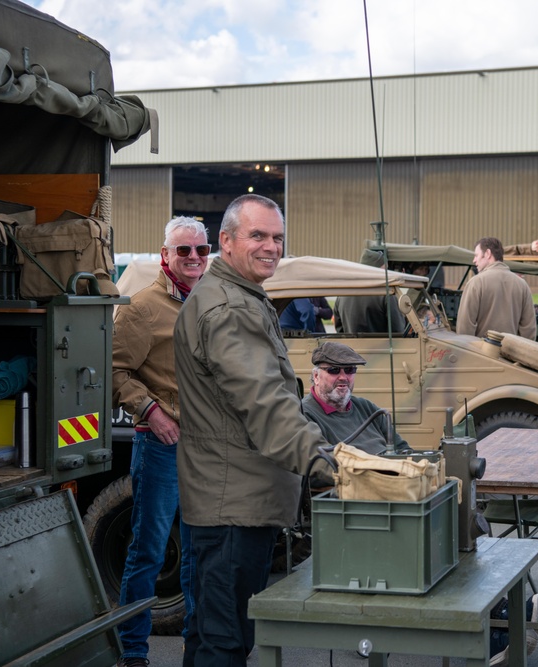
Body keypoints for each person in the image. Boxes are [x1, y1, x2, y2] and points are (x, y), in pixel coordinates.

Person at [173, 194, 332, 667]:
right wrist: (334, 466)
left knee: (212, 634)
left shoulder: (239, 295)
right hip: (233, 507)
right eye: (257, 235)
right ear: (225, 241)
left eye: (277, 237)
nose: (270, 247)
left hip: (234, 501)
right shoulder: (229, 309)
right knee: (224, 643)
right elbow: (267, 405)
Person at [112, 216, 208, 667]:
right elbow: (114, 371)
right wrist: (150, 411)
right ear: (165, 254)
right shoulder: (141, 308)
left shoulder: (210, 301)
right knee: (149, 549)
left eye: (200, 250)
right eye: (183, 250)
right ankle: (132, 652)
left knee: (198, 552)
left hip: (206, 449)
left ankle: (195, 646)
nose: (193, 258)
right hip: (162, 446)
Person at [301, 341, 410, 455]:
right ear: (316, 376)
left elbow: (403, 450)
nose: (343, 377)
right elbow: (324, 462)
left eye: (349, 370)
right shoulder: (305, 414)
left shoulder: (367, 408)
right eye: (334, 370)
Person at [456, 237, 537, 340]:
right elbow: (529, 329)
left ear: (488, 253)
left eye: (476, 255)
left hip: (480, 353)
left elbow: (465, 327)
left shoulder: (476, 283)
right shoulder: (522, 285)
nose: (474, 260)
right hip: (512, 354)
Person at [334, 248, 407, 334]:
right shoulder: (387, 294)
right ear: (377, 270)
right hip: (381, 347)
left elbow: (339, 329)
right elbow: (398, 330)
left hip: (350, 346)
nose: (387, 273)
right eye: (385, 269)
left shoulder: (342, 294)